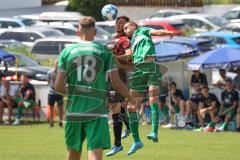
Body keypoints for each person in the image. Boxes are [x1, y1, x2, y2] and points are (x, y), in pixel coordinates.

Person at [54, 16, 133, 160]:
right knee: (95, 156)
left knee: (72, 155)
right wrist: (130, 98)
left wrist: (75, 91)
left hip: (74, 112)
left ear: (78, 31)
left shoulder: (67, 52)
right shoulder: (104, 52)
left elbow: (58, 86)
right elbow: (117, 84)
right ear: (95, 32)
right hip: (97, 113)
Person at [122, 21, 174, 155]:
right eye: (124, 29)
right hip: (138, 71)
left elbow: (156, 32)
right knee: (131, 107)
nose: (125, 30)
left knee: (153, 100)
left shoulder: (142, 31)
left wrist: (166, 32)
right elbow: (128, 56)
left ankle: (154, 132)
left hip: (151, 68)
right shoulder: (131, 41)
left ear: (135, 27)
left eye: (127, 27)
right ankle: (137, 141)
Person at [105, 16, 131, 157]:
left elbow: (128, 56)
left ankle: (117, 144)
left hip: (119, 76)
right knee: (116, 107)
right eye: (118, 22)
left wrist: (115, 57)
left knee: (115, 109)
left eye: (122, 23)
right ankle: (129, 126)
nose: (119, 24)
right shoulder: (114, 38)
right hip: (111, 78)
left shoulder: (125, 40)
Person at [47, 60, 63, 128]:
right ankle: (51, 122)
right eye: (57, 63)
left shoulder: (62, 72)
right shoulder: (50, 72)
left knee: (60, 108)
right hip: (51, 92)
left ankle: (60, 121)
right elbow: (48, 81)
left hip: (59, 92)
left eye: (59, 63)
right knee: (51, 108)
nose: (58, 64)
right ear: (54, 64)